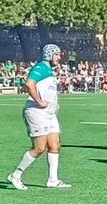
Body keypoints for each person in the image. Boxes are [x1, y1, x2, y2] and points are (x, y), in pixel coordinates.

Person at [8, 44, 70, 190]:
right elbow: (29, 85)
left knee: (55, 145)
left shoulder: (49, 70)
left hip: (49, 113)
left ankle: (53, 180)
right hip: (36, 112)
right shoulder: (40, 67)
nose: (59, 58)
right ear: (49, 55)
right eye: (57, 55)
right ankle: (16, 175)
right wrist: (39, 101)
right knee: (39, 148)